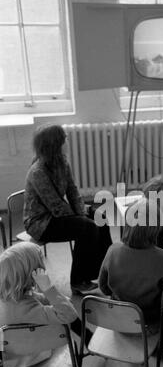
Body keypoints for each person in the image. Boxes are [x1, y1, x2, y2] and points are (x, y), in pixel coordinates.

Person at [23, 124, 112, 294]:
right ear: (55, 144)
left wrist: (82, 211)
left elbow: (72, 191)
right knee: (87, 227)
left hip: (56, 214)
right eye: (64, 138)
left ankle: (105, 270)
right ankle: (78, 281)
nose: (67, 141)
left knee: (100, 217)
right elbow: (56, 206)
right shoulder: (38, 172)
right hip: (40, 222)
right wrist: (83, 217)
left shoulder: (62, 162)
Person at [0, 242, 81, 367]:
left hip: (7, 359)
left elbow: (35, 298)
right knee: (62, 333)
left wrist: (48, 296)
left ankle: (87, 337)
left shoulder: (10, 297)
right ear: (31, 274)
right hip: (26, 360)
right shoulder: (28, 309)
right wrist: (49, 289)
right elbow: (69, 314)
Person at [98, 198, 163, 332]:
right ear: (156, 228)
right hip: (151, 324)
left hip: (118, 320)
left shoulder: (112, 251)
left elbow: (103, 288)